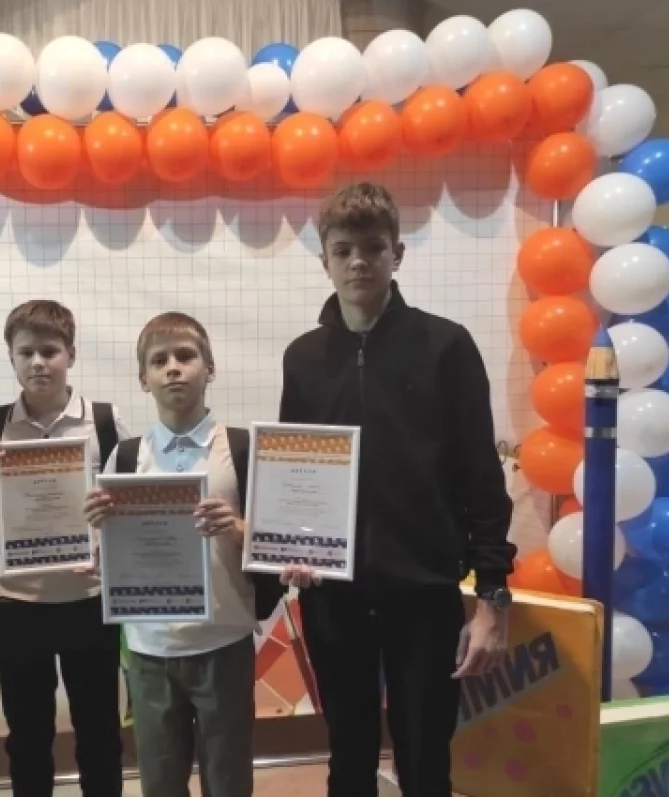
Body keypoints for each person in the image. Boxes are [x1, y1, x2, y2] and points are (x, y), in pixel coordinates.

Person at [277, 182, 517, 797]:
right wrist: (291, 546)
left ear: (397, 254)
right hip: (334, 597)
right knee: (348, 761)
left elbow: (482, 478)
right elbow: (293, 474)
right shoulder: (303, 358)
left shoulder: (447, 347)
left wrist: (493, 597)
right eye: (343, 250)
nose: (358, 261)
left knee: (426, 764)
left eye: (373, 248)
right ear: (325, 260)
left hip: (426, 595)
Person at [83, 312, 258, 797]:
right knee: (159, 783)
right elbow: (108, 556)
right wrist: (97, 538)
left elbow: (275, 542)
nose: (173, 368)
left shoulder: (243, 449)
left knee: (229, 782)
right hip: (149, 649)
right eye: (159, 360)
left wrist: (238, 527)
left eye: (186, 356)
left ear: (210, 367)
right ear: (144, 378)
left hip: (225, 641)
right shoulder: (125, 457)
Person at [0, 300, 130, 797]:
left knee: (100, 733)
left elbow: (130, 507)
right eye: (26, 353)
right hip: (19, 604)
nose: (38, 362)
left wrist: (112, 517)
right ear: (11, 358)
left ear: (71, 355)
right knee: (27, 738)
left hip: (89, 601)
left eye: (49, 351)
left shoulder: (105, 422)